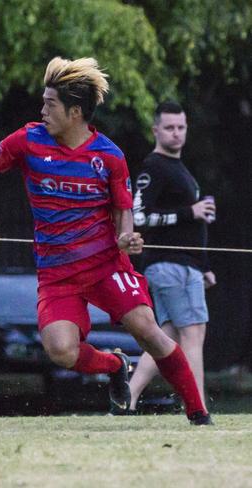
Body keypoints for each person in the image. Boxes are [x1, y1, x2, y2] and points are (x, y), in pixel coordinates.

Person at [0, 57, 212, 425]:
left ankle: (198, 412)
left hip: (106, 265)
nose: (42, 110)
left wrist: (125, 236)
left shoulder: (109, 156)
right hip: (57, 274)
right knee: (60, 351)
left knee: (148, 330)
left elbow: (123, 210)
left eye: (50, 104)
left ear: (75, 112)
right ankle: (114, 365)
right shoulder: (28, 140)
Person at [127, 101, 216, 411]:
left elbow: (190, 226)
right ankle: (198, 407)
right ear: (156, 130)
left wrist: (203, 265)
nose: (176, 133)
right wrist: (188, 212)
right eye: (169, 127)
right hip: (171, 265)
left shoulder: (180, 169)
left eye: (181, 127)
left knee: (166, 338)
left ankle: (127, 396)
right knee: (194, 334)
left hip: (184, 265)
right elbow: (139, 217)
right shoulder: (154, 166)